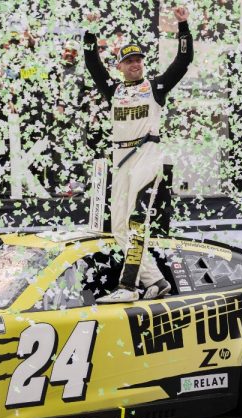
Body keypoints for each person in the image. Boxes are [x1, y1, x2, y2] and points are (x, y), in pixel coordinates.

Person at [83, 5, 193, 302]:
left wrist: (182, 25)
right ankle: (156, 280)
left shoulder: (155, 86)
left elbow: (183, 61)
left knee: (134, 222)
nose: (135, 64)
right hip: (120, 162)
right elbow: (92, 64)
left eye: (138, 59)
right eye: (129, 60)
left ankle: (128, 287)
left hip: (148, 155)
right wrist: (89, 30)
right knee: (118, 227)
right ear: (120, 65)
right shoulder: (114, 90)